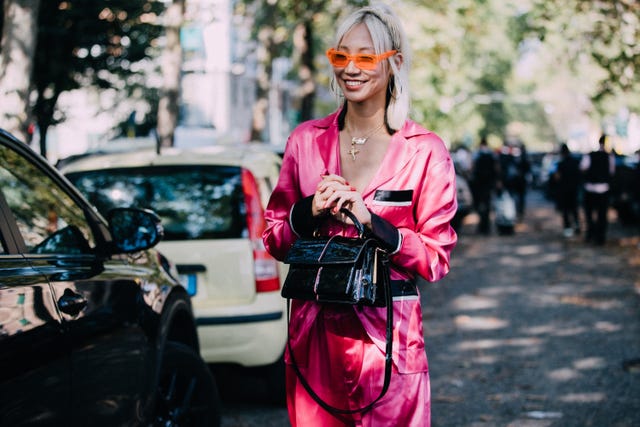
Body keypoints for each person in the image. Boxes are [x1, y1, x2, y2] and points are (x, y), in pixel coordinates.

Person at [262, 4, 458, 426]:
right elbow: (275, 237)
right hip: (314, 335)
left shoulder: (424, 150)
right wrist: (310, 210)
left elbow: (437, 259)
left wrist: (373, 223)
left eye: (366, 57)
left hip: (387, 338)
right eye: (341, 55)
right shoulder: (304, 141)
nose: (350, 68)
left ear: (395, 63)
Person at [580, 134, 615, 245]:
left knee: (589, 214)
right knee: (602, 215)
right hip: (603, 189)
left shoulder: (590, 155)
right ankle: (600, 237)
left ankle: (591, 234)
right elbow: (612, 172)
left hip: (590, 189)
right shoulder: (609, 156)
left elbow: (582, 168)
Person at [471, 137, 498, 234]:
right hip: (488, 184)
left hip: (478, 184)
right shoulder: (491, 154)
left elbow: (472, 168)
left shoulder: (476, 154)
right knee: (487, 205)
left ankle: (481, 226)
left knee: (479, 205)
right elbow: (496, 169)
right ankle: (486, 226)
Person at [553, 143, 581, 237]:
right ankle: (577, 225)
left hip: (564, 190)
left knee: (565, 210)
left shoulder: (560, 164)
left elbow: (557, 177)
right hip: (574, 189)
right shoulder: (575, 162)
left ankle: (568, 228)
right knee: (574, 209)